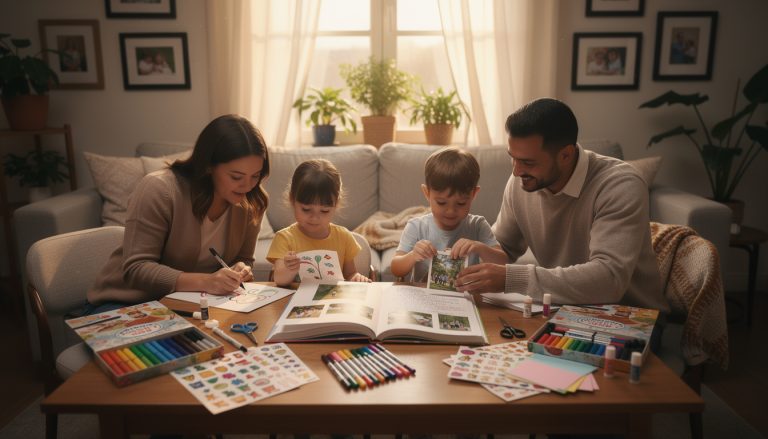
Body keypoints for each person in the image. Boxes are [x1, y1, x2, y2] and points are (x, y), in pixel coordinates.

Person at [455, 98, 668, 316]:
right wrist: (469, 251)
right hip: (562, 311)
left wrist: (511, 278)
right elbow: (502, 249)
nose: (517, 171)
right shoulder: (521, 183)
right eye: (513, 158)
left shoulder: (620, 185)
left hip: (631, 317)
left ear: (566, 155)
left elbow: (609, 279)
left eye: (528, 162)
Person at [85, 115, 270, 313]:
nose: (248, 186)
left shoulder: (250, 201)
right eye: (236, 176)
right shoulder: (160, 190)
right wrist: (207, 281)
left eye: (255, 176)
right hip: (126, 303)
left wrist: (240, 269)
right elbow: (137, 268)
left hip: (185, 304)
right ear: (209, 166)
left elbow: (244, 258)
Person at [390, 147, 507, 282]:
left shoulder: (477, 225)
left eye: (461, 203)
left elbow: (503, 263)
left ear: (474, 194)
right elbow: (395, 268)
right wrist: (412, 256)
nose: (451, 211)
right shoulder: (417, 226)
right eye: (441, 203)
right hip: (423, 299)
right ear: (427, 193)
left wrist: (478, 247)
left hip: (465, 299)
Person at [267, 159, 371, 287]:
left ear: (336, 204)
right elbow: (279, 280)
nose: (314, 218)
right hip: (294, 303)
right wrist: (289, 269)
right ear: (292, 200)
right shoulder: (284, 238)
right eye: (306, 209)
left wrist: (356, 277)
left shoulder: (344, 237)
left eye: (324, 211)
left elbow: (350, 274)